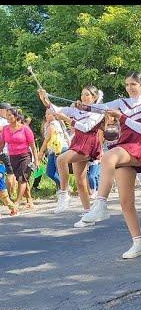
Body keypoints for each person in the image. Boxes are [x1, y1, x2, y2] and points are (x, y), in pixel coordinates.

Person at [79, 72, 141, 258]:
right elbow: (101, 108)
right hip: (124, 147)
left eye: (133, 84)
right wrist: (85, 107)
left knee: (107, 158)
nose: (130, 88)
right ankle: (139, 243)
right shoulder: (122, 102)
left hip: (138, 146)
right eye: (127, 84)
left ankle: (100, 204)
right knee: (126, 202)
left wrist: (122, 118)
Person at [37, 87, 104, 223]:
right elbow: (56, 110)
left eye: (87, 95)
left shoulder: (98, 111)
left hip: (89, 143)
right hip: (77, 142)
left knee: (61, 159)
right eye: (82, 94)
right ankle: (88, 213)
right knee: (80, 180)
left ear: (94, 97)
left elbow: (86, 127)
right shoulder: (76, 109)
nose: (84, 97)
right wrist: (45, 99)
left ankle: (64, 193)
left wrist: (67, 119)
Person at [0, 107, 39, 209]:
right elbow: (2, 144)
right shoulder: (5, 129)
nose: (7, 117)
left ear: (16, 116)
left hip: (24, 156)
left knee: (22, 178)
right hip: (12, 156)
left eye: (9, 115)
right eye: (7, 115)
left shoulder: (25, 128)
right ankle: (29, 199)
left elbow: (33, 146)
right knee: (20, 179)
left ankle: (17, 202)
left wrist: (36, 160)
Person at [37, 107, 70, 190]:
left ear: (54, 115)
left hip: (59, 149)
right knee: (50, 172)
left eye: (48, 114)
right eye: (46, 114)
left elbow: (47, 139)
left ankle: (64, 189)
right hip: (53, 150)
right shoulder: (48, 124)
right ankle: (63, 187)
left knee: (58, 171)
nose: (46, 116)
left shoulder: (53, 124)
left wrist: (41, 152)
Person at [0, 103, 18, 199]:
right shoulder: (4, 121)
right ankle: (9, 195)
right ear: (1, 110)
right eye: (7, 110)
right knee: (11, 174)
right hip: (6, 151)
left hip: (3, 150)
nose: (8, 113)